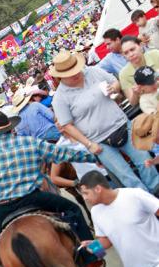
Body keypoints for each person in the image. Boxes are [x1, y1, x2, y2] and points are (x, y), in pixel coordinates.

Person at [0, 111, 102, 267]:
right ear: (11, 129)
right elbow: (63, 154)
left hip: (3, 208)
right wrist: (94, 157)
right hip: (33, 199)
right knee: (75, 210)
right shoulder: (29, 142)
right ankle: (93, 257)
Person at [51, 49, 159, 194]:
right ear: (61, 76)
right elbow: (67, 125)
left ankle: (156, 191)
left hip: (122, 124)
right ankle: (147, 203)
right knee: (125, 175)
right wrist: (89, 144)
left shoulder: (92, 72)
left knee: (145, 161)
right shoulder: (60, 97)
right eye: (70, 74)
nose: (75, 74)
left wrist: (114, 87)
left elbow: (115, 82)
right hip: (98, 141)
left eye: (75, 70)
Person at [79, 170, 159, 267]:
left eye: (85, 193)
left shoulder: (134, 195)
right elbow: (106, 244)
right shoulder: (96, 212)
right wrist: (93, 247)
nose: (84, 198)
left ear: (98, 189)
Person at [119, 36, 159, 106]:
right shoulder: (123, 74)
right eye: (126, 53)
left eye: (132, 49)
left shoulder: (155, 54)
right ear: (123, 55)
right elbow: (133, 103)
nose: (131, 54)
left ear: (140, 46)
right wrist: (135, 93)